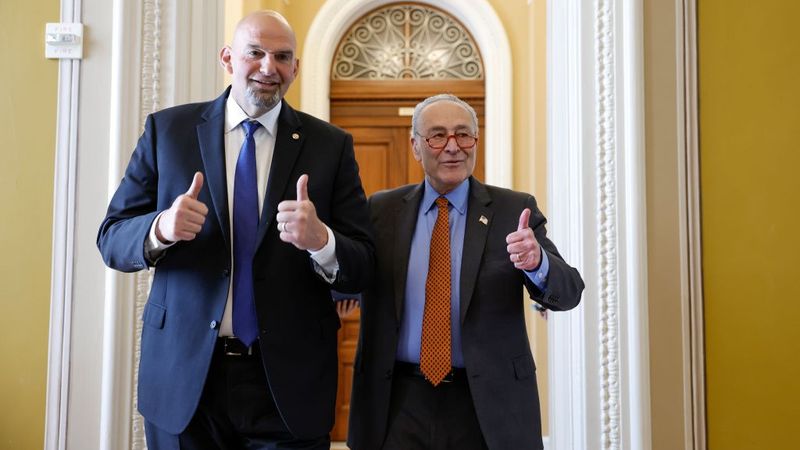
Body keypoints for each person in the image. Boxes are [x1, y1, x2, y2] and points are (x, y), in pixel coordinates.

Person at [97, 10, 373, 449]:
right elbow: (111, 238)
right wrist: (160, 228)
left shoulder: (330, 146)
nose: (269, 67)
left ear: (296, 69)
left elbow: (364, 265)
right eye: (255, 53)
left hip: (287, 384)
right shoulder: (168, 131)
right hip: (186, 379)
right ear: (228, 58)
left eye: (282, 57)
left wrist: (323, 243)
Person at [347, 94, 584, 450]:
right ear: (415, 146)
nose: (453, 147)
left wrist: (538, 263)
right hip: (397, 401)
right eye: (438, 135)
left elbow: (569, 292)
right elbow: (350, 273)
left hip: (487, 403)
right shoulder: (382, 209)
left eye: (463, 134)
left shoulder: (513, 210)